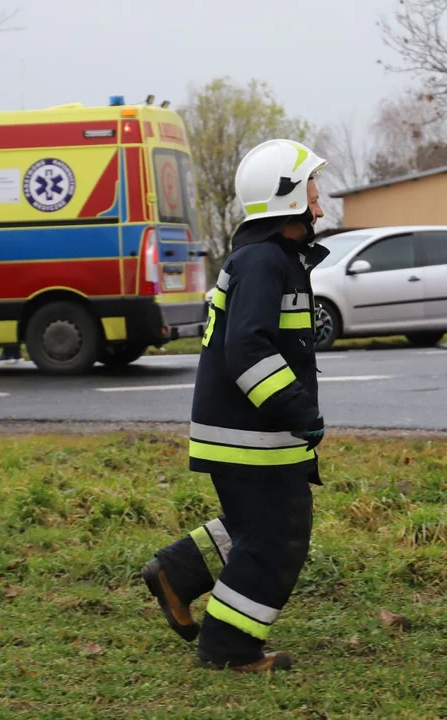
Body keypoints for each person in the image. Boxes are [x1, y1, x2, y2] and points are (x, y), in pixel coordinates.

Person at [142, 139, 330, 673]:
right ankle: (229, 646)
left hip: (248, 432)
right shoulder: (265, 261)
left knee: (256, 525)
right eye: (312, 195)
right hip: (252, 434)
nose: (319, 207)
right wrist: (298, 410)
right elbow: (247, 349)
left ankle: (176, 573)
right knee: (277, 537)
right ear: (287, 200)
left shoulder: (269, 258)